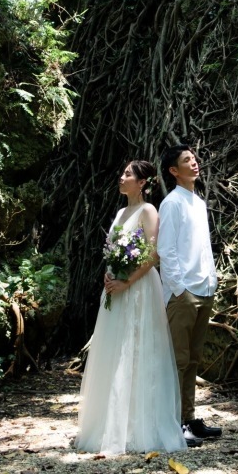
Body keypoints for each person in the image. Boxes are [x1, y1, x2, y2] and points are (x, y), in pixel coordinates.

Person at [75, 159, 186, 455]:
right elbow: (113, 250)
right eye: (122, 172)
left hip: (139, 289)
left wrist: (128, 282)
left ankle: (140, 426)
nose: (121, 177)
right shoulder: (120, 212)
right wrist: (110, 274)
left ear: (141, 183)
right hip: (117, 289)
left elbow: (153, 255)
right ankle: (110, 425)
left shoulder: (148, 211)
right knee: (114, 351)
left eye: (127, 174)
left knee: (138, 350)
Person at [157, 144, 223, 448]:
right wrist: (179, 289)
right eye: (187, 161)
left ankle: (189, 418)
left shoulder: (198, 202)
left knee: (193, 360)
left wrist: (211, 279)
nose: (194, 163)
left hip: (204, 289)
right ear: (174, 171)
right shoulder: (171, 204)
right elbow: (166, 250)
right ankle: (174, 422)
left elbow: (201, 248)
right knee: (178, 360)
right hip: (184, 294)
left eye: (194, 159)